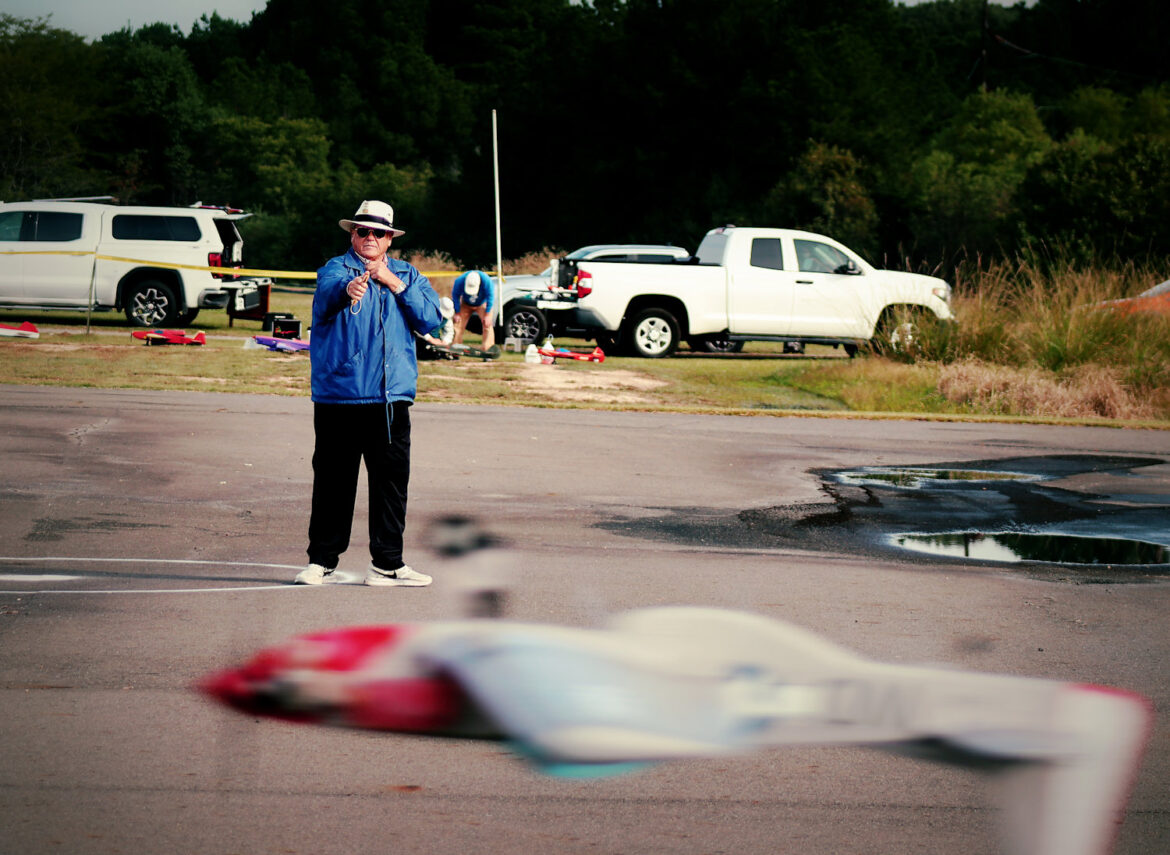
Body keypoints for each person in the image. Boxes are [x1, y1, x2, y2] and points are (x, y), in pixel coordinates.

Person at [295, 200, 442, 587]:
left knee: (391, 483)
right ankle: (321, 561)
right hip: (339, 397)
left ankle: (388, 563)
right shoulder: (334, 269)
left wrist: (393, 283)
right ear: (352, 234)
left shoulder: (408, 274)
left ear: (390, 238)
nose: (371, 238)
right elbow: (326, 297)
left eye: (379, 232)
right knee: (332, 482)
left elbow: (431, 319)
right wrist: (350, 288)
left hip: (391, 400)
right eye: (364, 231)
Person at [451, 270, 496, 349]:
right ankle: (455, 348)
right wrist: (457, 312)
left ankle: (487, 349)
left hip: (482, 303)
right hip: (465, 303)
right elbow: (455, 296)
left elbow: (490, 297)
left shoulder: (486, 280)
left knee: (487, 325)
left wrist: (487, 314)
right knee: (458, 324)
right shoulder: (459, 281)